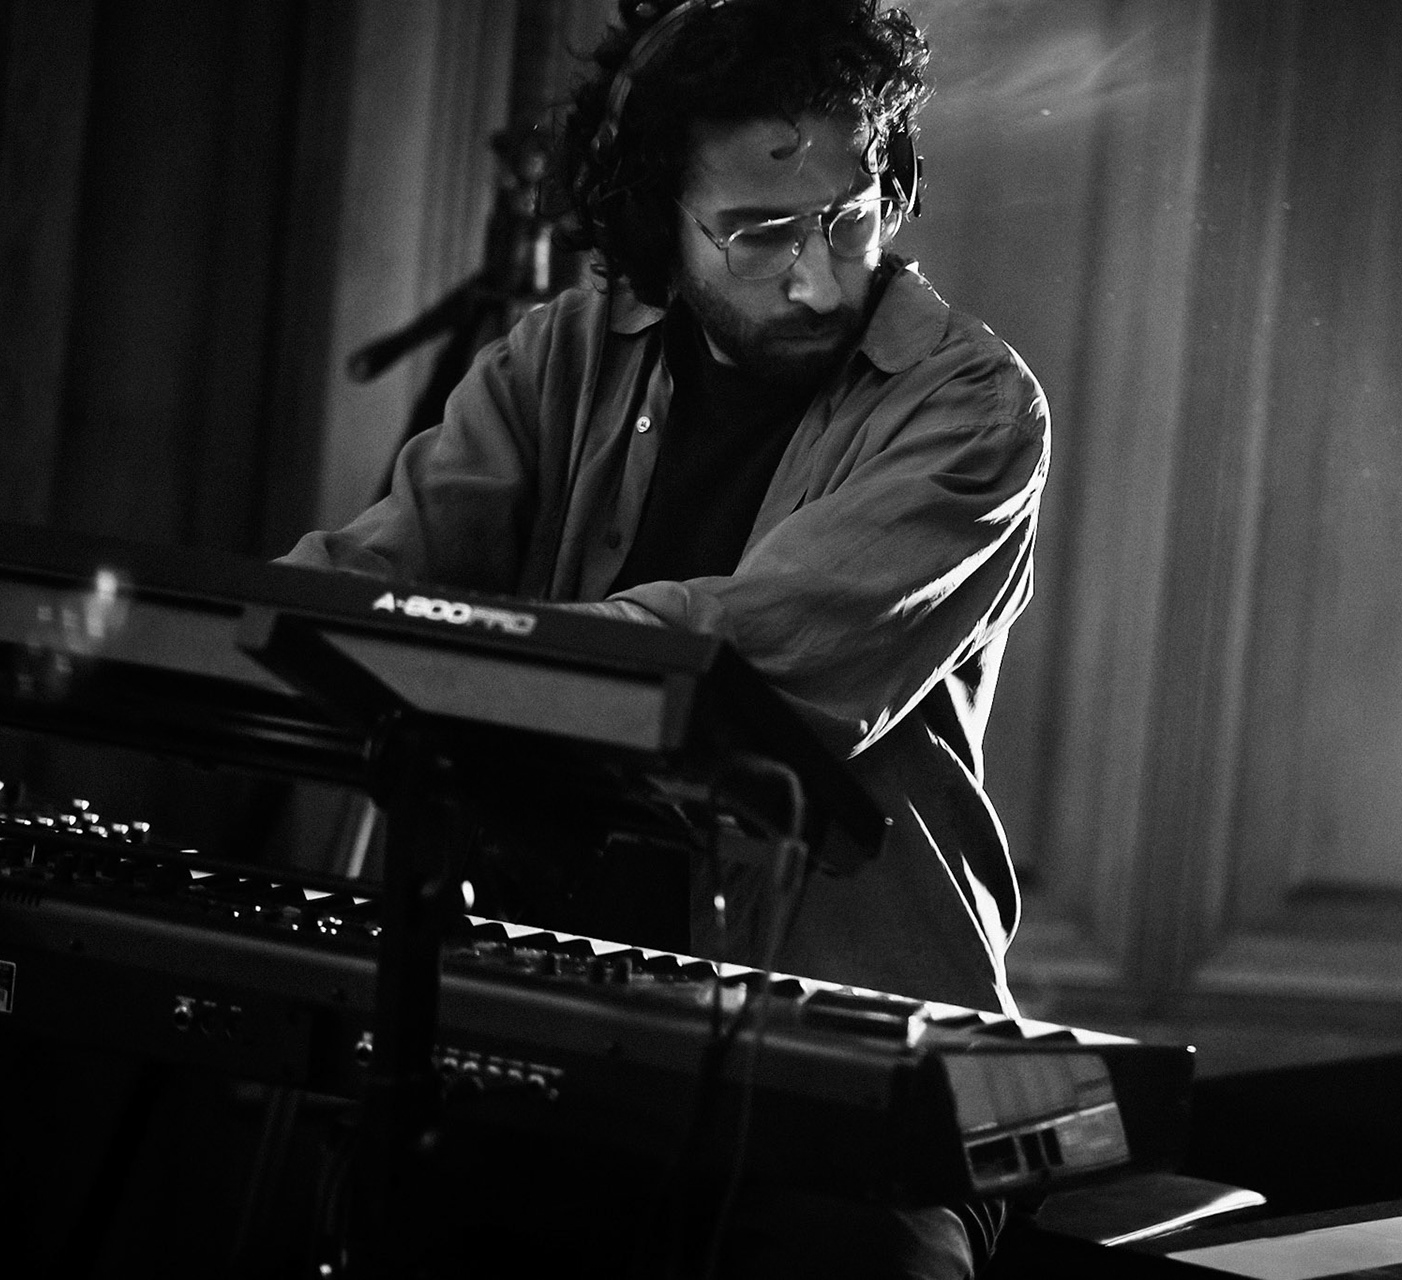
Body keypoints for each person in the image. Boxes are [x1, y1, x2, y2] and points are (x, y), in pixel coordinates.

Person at [283, 0, 1049, 1273]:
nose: (817, 274)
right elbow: (373, 574)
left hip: (856, 1081)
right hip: (561, 1034)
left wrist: (473, 652)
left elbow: (725, 655)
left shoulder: (974, 407)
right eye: (757, 233)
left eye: (848, 215)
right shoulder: (561, 358)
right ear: (656, 228)